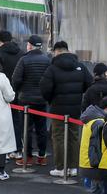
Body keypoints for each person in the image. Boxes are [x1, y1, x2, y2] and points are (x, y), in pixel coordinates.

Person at [39, 40, 93, 176]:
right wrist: (78, 93)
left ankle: (60, 168)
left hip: (57, 108)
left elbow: (44, 88)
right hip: (75, 107)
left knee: (58, 137)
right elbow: (89, 83)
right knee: (74, 137)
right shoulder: (80, 66)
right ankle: (74, 168)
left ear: (55, 52)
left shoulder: (52, 68)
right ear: (68, 51)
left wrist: (51, 99)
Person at [12, 35, 51, 166]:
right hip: (41, 100)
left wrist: (19, 90)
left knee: (26, 129)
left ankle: (27, 157)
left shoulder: (24, 60)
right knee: (41, 128)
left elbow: (16, 79)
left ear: (29, 46)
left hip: (26, 100)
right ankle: (42, 156)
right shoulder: (47, 60)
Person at [0, 31, 26, 160]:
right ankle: (18, 149)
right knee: (17, 121)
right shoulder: (22, 53)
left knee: (2, 122)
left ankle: (4, 152)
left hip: (3, 93)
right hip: (19, 92)